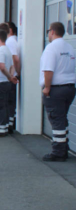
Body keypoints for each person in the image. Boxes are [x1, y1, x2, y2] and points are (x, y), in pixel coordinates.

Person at [40, 22, 76, 161]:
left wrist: (47, 87)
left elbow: (48, 70)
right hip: (69, 88)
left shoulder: (51, 48)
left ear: (52, 32)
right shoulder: (69, 48)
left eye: (48, 31)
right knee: (62, 118)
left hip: (55, 89)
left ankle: (58, 152)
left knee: (56, 119)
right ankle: (64, 146)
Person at [0, 29, 19, 137]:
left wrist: (8, 76)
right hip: (6, 82)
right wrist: (11, 77)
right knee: (5, 105)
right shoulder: (7, 50)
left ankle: (0, 130)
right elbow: (12, 66)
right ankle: (4, 126)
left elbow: (1, 66)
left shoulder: (0, 51)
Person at [5, 21, 20, 133]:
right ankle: (10, 122)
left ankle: (10, 124)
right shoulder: (13, 41)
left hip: (11, 77)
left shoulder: (10, 41)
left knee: (9, 101)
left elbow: (14, 59)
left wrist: (14, 74)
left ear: (10, 30)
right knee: (10, 101)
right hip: (13, 76)